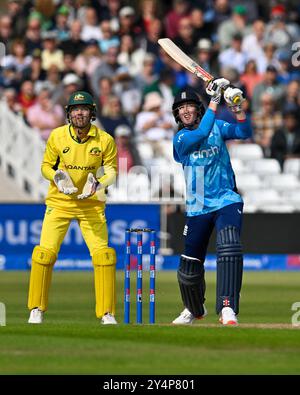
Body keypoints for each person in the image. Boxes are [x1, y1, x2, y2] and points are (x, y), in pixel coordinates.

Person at [27, 91, 118, 325]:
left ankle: (107, 313)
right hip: (60, 202)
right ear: (69, 113)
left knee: (104, 256)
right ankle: (36, 309)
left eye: (84, 109)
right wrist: (56, 176)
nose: (80, 113)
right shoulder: (57, 136)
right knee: (44, 254)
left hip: (91, 204)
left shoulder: (105, 140)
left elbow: (112, 171)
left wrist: (98, 183)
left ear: (92, 112)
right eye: (75, 109)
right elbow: (46, 166)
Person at [171, 78, 252, 326]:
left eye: (189, 106)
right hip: (197, 207)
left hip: (226, 199)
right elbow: (202, 132)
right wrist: (216, 100)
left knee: (229, 246)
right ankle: (194, 309)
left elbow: (244, 132)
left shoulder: (217, 126)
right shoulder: (181, 140)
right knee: (189, 265)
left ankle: (228, 308)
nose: (185, 110)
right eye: (180, 108)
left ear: (198, 108)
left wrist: (237, 108)